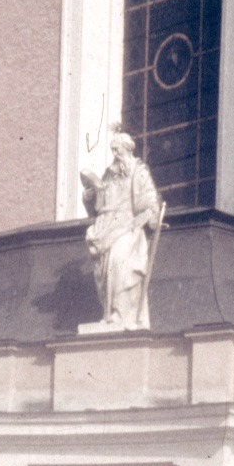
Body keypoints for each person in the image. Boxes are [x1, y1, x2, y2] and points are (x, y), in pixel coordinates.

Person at [80, 130, 162, 330]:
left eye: (118, 150)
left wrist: (144, 218)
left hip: (127, 224)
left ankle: (121, 314)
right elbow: (98, 208)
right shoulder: (108, 174)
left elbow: (151, 202)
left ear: (127, 149)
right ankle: (109, 314)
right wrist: (90, 197)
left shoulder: (138, 171)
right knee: (104, 272)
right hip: (106, 226)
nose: (115, 154)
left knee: (119, 262)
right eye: (113, 151)